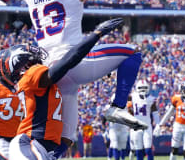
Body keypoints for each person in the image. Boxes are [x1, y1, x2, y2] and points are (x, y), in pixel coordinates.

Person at [23, 0, 146, 154]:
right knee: (132, 53)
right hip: (74, 62)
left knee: (66, 138)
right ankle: (117, 107)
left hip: (51, 72)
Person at [7, 18, 124, 159]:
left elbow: (66, 137)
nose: (36, 55)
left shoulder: (39, 83)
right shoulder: (31, 75)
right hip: (30, 142)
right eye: (31, 55)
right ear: (23, 63)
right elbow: (69, 60)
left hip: (42, 146)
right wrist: (96, 34)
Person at [153, 82, 185, 160]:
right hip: (178, 126)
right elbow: (169, 113)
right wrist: (160, 125)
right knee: (174, 149)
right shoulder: (176, 99)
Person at [127, 80, 160, 160]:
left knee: (148, 149)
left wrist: (158, 125)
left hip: (147, 126)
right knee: (138, 150)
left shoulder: (151, 99)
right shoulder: (133, 96)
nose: (142, 89)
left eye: (144, 88)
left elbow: (155, 113)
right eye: (141, 88)